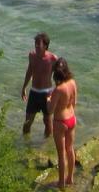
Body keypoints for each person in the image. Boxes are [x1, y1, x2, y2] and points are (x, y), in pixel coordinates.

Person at [21, 32, 58, 138]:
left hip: (47, 93)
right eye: (35, 44)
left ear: (45, 45)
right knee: (28, 121)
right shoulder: (32, 56)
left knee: (47, 121)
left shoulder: (53, 59)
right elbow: (29, 71)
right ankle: (25, 143)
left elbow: (59, 77)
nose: (36, 46)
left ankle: (46, 145)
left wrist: (58, 94)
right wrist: (24, 87)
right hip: (34, 92)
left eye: (38, 44)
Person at [49, 58, 78, 189]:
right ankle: (70, 178)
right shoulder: (72, 83)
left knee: (61, 154)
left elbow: (50, 110)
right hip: (72, 119)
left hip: (60, 121)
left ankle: (61, 183)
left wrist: (48, 99)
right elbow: (74, 103)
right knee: (70, 149)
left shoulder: (58, 89)